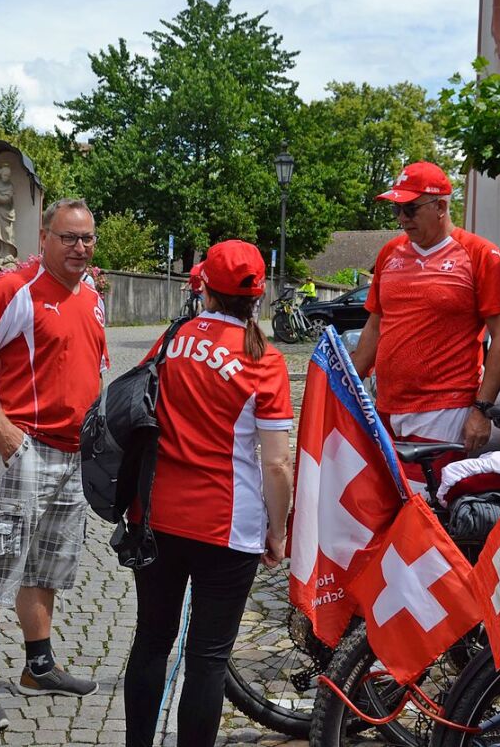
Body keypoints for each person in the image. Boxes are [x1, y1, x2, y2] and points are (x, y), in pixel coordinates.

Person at [123, 240, 294, 747]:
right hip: (228, 523)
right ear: (257, 298)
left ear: (206, 290)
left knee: (152, 640)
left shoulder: (171, 339)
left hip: (156, 515)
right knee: (208, 657)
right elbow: (277, 464)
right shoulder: (265, 360)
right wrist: (278, 531)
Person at [0, 198, 109, 730]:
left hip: (71, 454)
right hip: (24, 448)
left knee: (47, 568)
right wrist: (0, 427)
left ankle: (38, 666)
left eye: (86, 238)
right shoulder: (14, 289)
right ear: (44, 237)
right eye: (69, 238)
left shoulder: (91, 295)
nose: (80, 248)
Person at [351, 161, 500, 476]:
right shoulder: (390, 253)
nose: (402, 219)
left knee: (426, 511)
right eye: (396, 210)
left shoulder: (480, 254)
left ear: (440, 206)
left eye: (410, 209)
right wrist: (347, 386)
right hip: (386, 407)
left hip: (443, 409)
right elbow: (375, 324)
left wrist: (482, 410)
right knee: (388, 508)